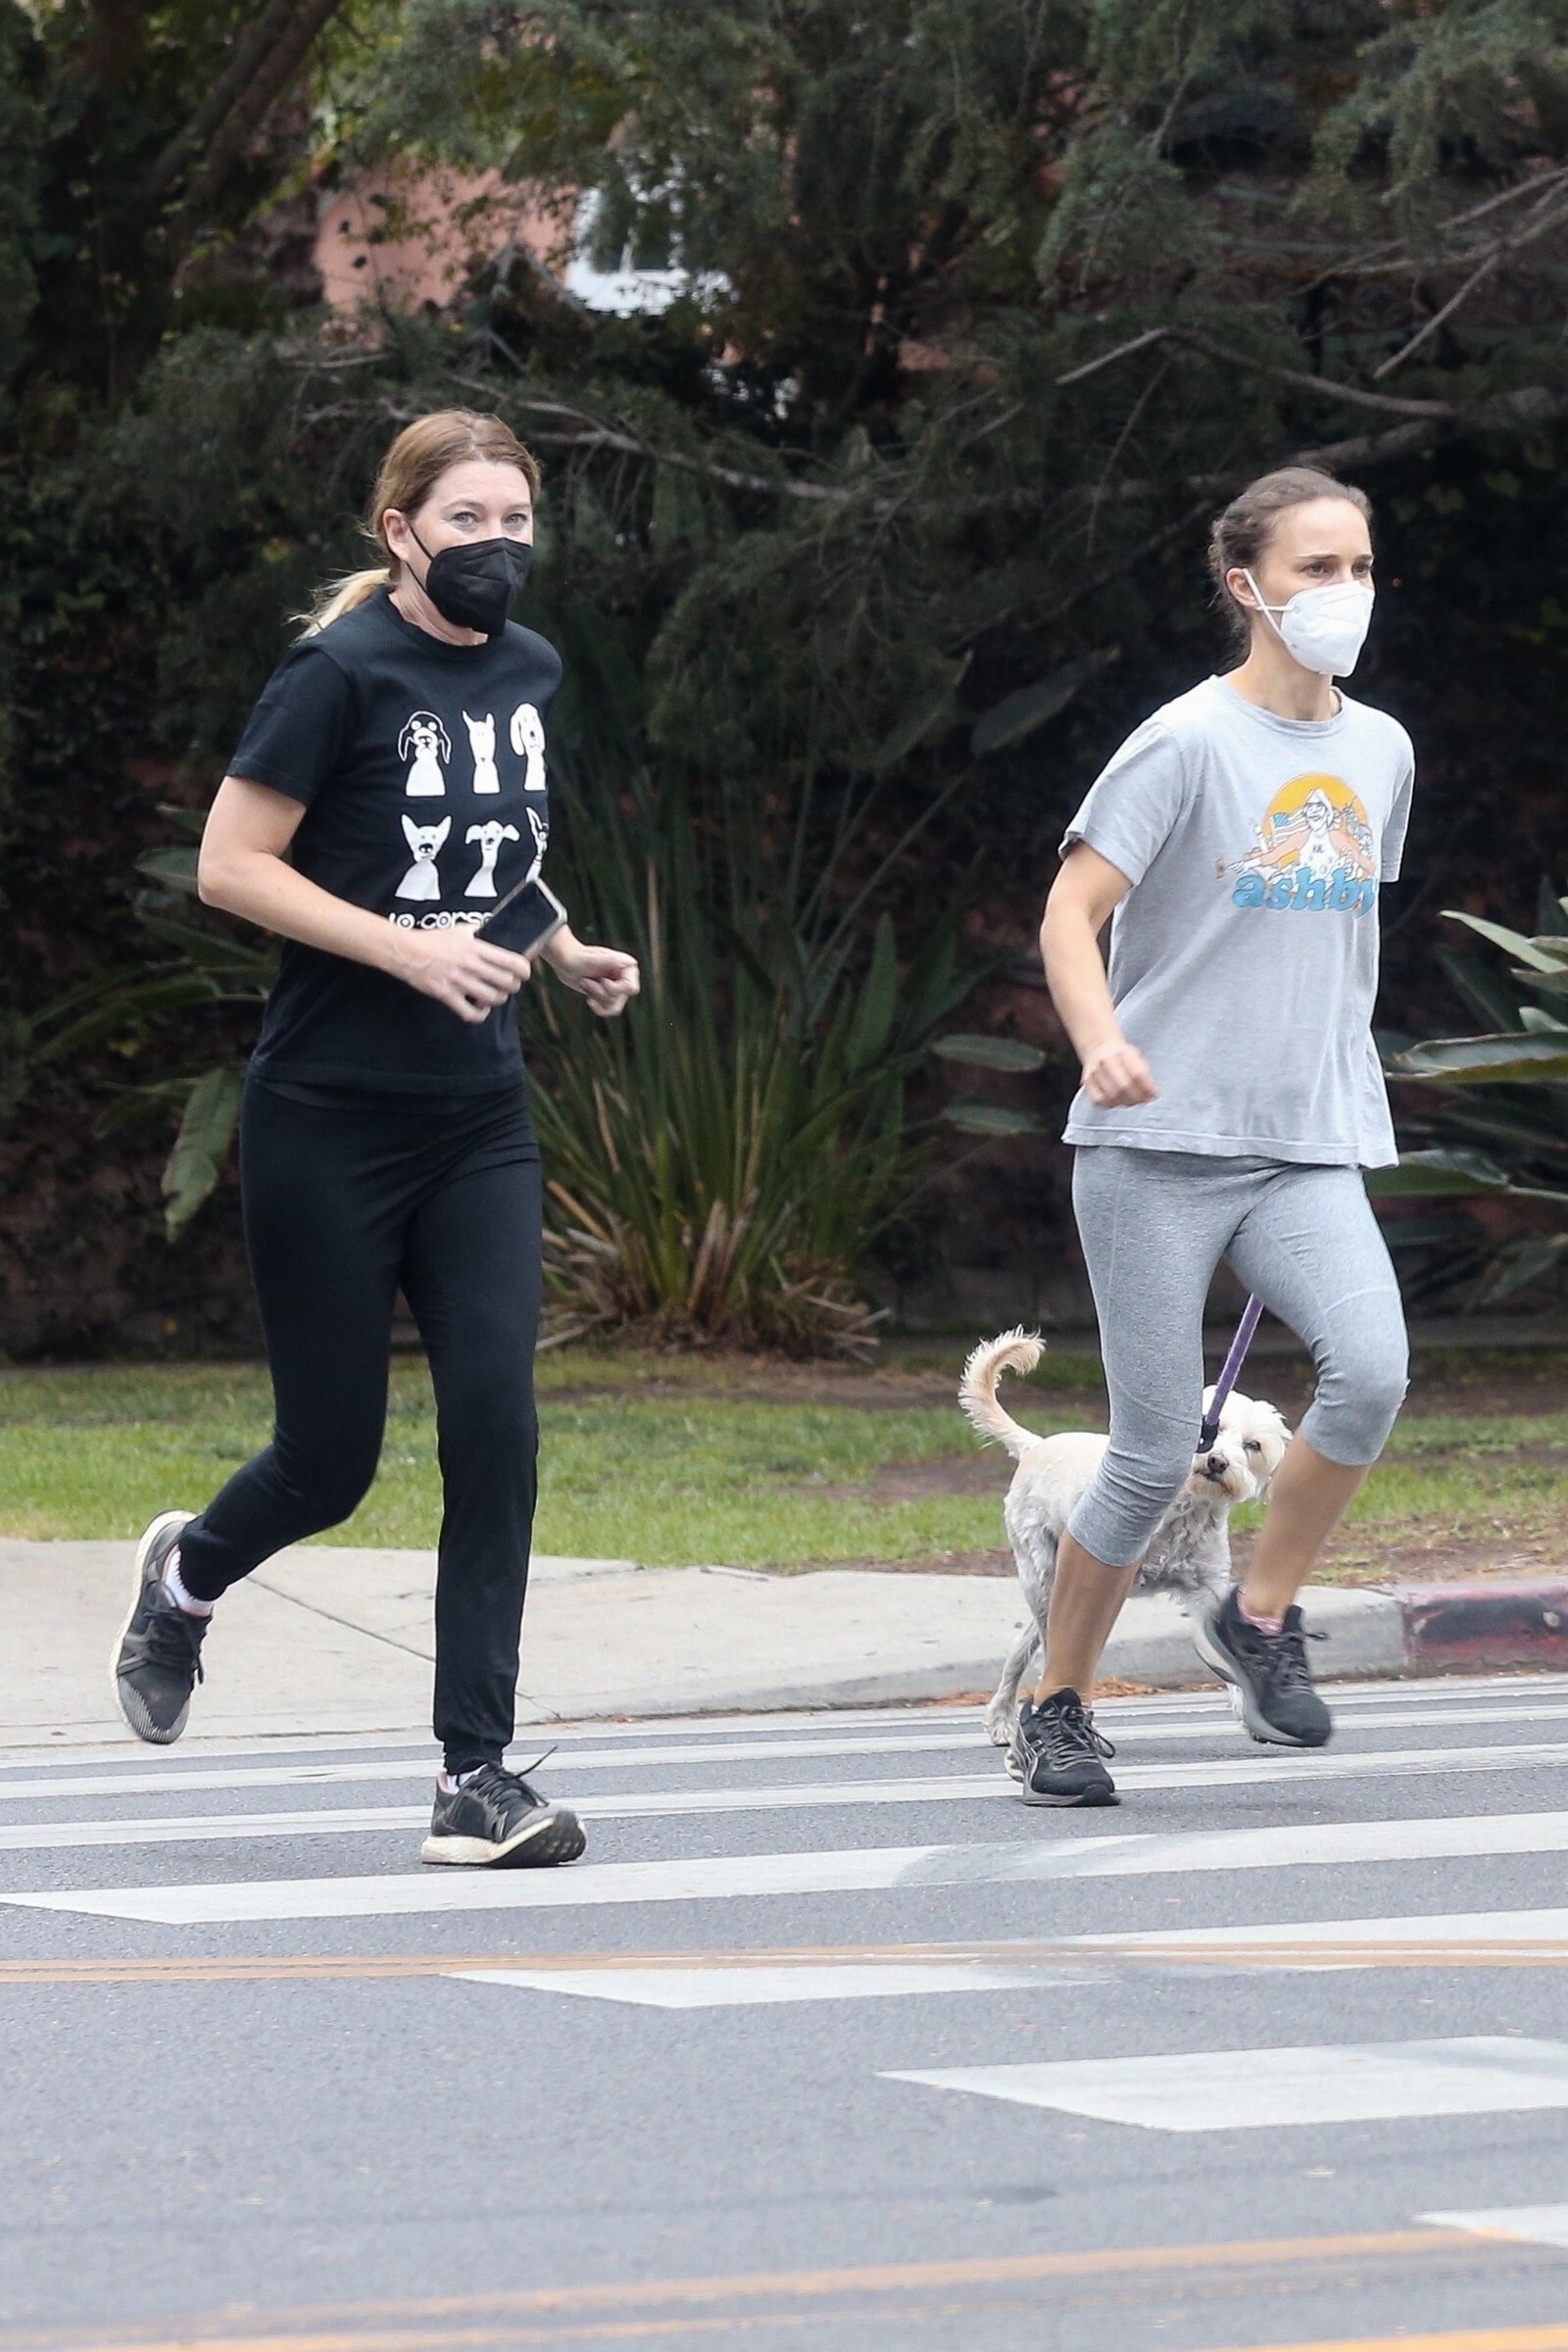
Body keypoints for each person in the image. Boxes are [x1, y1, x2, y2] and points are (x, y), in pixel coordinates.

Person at [112, 410, 639, 1868]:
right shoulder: (335, 673)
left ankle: (475, 1775)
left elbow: (489, 848)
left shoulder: (530, 671)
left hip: (478, 1119)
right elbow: (232, 867)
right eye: (467, 519)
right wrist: (410, 953)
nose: (497, 545)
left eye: (516, 518)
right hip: (327, 1116)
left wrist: (562, 949)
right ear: (400, 532)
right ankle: (188, 1579)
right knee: (328, 1460)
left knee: (497, 1427)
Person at [1012, 465, 1413, 1807]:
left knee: (1371, 1371)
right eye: (1317, 568)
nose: (1345, 591)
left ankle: (1258, 1615)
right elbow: (1071, 915)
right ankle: (1059, 1706)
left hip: (1304, 1140)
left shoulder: (1382, 750)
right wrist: (1100, 1041)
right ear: (1248, 585)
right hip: (1156, 1147)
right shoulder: (1182, 742)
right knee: (1145, 1452)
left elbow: (1331, 934)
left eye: (1360, 567)